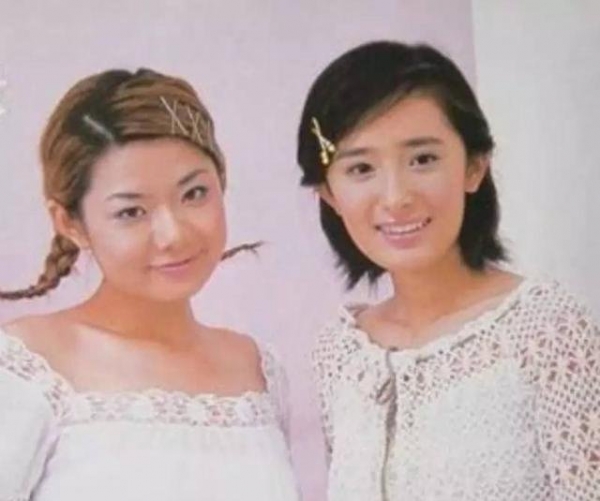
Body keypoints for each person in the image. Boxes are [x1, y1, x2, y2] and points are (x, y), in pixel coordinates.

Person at [296, 41, 599, 501]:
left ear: (474, 167)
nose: (396, 197)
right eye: (361, 168)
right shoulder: (340, 355)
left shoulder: (547, 332)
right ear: (329, 195)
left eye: (423, 159)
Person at [0, 68, 299, 501]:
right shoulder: (28, 367)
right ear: (70, 223)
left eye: (194, 194)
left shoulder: (256, 368)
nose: (173, 234)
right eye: (131, 212)